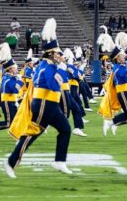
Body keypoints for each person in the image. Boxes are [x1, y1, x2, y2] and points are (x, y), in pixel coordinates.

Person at [4, 19, 74, 177]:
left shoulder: (51, 66)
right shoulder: (45, 67)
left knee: (65, 129)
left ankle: (59, 161)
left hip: (51, 104)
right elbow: (53, 84)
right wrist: (63, 70)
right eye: (58, 53)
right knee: (32, 134)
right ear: (50, 53)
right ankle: (11, 162)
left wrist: (61, 70)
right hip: (43, 104)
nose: (60, 55)